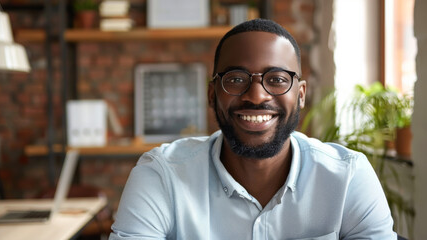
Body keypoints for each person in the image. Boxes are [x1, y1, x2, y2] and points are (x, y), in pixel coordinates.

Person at [109, 19, 396, 239]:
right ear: (212, 95)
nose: (257, 96)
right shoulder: (161, 175)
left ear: (301, 94)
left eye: (278, 79)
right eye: (235, 79)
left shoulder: (348, 177)